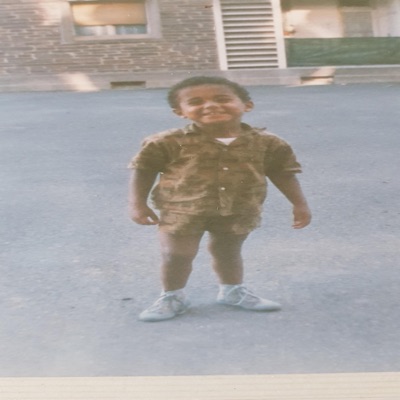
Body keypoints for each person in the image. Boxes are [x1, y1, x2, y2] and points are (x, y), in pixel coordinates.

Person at [128, 76, 311, 322]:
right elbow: (143, 169)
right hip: (182, 209)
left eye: (222, 99)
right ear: (179, 112)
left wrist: (299, 204)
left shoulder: (268, 143)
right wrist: (137, 204)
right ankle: (172, 296)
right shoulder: (166, 142)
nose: (211, 105)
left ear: (247, 105)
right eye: (196, 102)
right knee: (177, 255)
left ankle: (232, 291)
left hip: (239, 207)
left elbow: (283, 173)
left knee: (228, 251)